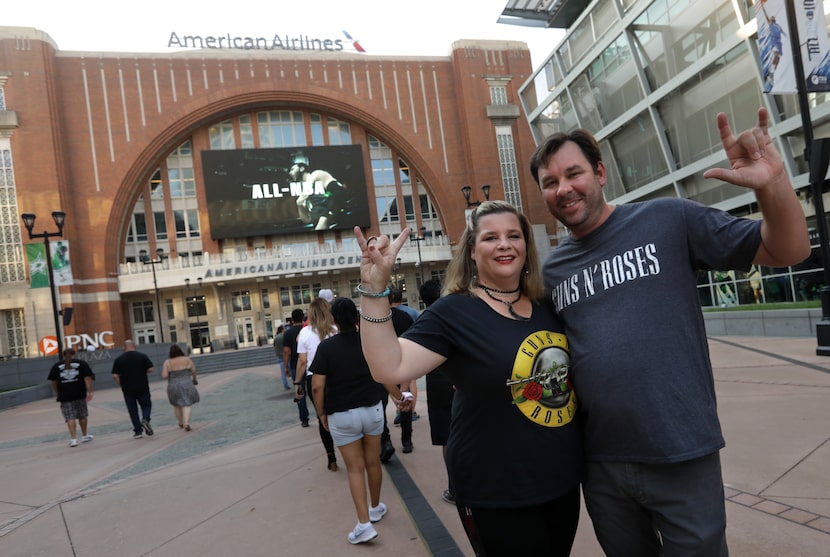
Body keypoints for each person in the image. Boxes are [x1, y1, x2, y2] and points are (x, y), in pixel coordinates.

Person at [529, 107, 810, 556]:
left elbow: (789, 249)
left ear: (600, 173)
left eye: (573, 173)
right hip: (601, 465)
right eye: (549, 182)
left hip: (682, 452)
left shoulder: (668, 219)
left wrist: (772, 184)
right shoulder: (552, 272)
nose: (563, 189)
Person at [353, 200, 583, 556]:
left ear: (526, 246)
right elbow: (389, 367)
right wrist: (374, 291)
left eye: (514, 236)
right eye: (491, 237)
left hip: (560, 481)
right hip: (495, 488)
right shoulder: (455, 311)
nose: (505, 244)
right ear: (473, 252)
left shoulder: (546, 306)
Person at [311, 297, 411, 545]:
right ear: (356, 318)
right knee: (372, 462)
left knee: (355, 469)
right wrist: (399, 397)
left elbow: (317, 387)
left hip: (342, 414)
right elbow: (384, 376)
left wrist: (322, 413)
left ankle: (364, 524)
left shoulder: (326, 348)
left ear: (333, 319)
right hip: (372, 410)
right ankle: (376, 507)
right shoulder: (368, 344)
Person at [419, 278, 456, 503]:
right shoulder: (456, 314)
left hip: (437, 384)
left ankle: (454, 487)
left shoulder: (424, 319)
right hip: (462, 381)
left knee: (446, 438)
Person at [294, 297, 339, 471]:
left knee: (323, 417)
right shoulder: (335, 329)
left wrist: (297, 383)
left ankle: (331, 456)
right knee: (341, 411)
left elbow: (302, 361)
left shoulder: (305, 333)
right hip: (336, 376)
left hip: (314, 379)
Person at [379, 305, 414, 462]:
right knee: (404, 397)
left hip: (381, 366)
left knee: (380, 405)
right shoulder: (405, 317)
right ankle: (407, 440)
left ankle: (385, 440)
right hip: (402, 363)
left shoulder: (376, 319)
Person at [289, 151, 350, 230]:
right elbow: (307, 220)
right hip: (322, 221)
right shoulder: (304, 194)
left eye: (292, 169)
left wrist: (300, 199)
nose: (290, 173)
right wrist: (299, 205)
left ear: (302, 168)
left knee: (322, 222)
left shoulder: (316, 174)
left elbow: (339, 192)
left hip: (335, 207)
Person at [48, 348, 95, 447]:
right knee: (82, 415)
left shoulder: (56, 366)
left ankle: (73, 439)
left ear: (63, 355)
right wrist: (90, 391)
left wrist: (58, 392)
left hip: (65, 395)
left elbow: (53, 382)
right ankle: (84, 435)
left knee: (70, 417)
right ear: (75, 354)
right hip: (79, 393)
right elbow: (87, 378)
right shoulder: (82, 364)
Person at [111, 339, 155, 439]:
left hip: (127, 388)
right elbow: (151, 369)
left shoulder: (119, 359)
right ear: (134, 346)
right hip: (142, 386)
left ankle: (138, 431)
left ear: (124, 348)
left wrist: (120, 383)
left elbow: (115, 375)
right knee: (146, 405)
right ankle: (145, 419)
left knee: (132, 409)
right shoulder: (142, 356)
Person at [161, 344, 200, 431]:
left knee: (177, 405)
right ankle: (186, 423)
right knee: (187, 403)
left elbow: (164, 375)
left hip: (173, 385)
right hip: (187, 383)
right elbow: (193, 370)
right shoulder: (187, 359)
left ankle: (181, 422)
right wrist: (194, 379)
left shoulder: (167, 362)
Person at [283, 308, 309, 426]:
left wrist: (285, 367)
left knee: (299, 390)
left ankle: (304, 418)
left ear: (292, 320)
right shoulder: (307, 329)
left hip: (295, 365)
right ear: (303, 317)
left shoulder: (287, 333)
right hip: (309, 364)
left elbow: (286, 351)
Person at [273, 325, 289, 390]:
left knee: (283, 372)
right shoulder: (284, 336)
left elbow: (274, 346)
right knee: (290, 368)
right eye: (284, 328)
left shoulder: (276, 338)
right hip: (286, 355)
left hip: (279, 356)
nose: (285, 329)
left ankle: (285, 384)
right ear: (282, 330)